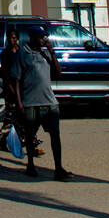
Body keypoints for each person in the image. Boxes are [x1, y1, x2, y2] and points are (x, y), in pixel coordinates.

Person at [19, 26, 72, 181]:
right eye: (41, 37)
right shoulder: (23, 54)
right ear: (33, 37)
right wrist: (19, 102)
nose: (44, 40)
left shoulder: (46, 53)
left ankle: (58, 168)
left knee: (55, 135)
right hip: (30, 102)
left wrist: (52, 52)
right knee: (30, 135)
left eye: (45, 37)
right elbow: (16, 79)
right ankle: (30, 165)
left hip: (49, 101)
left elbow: (58, 72)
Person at [0, 27, 43, 157]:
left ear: (17, 38)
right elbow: (6, 74)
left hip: (22, 88)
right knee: (11, 117)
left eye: (14, 37)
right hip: (11, 88)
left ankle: (30, 143)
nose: (12, 40)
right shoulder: (5, 54)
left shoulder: (21, 52)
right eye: (10, 38)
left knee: (25, 117)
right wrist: (12, 90)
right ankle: (4, 139)